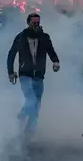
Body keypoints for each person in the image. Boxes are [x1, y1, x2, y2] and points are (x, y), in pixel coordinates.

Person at [7, 13, 60, 142]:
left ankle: (29, 133)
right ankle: (21, 116)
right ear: (28, 23)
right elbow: (12, 54)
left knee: (37, 105)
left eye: (38, 23)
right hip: (25, 74)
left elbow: (51, 51)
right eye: (33, 23)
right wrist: (10, 72)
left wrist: (56, 61)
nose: (36, 25)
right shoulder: (21, 37)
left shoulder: (44, 37)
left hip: (39, 76)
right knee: (31, 100)